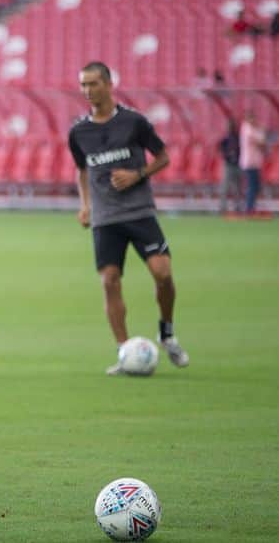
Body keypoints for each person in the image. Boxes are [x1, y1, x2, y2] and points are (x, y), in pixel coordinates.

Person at [68, 62, 189, 375]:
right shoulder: (78, 131)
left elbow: (163, 157)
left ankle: (167, 331)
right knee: (110, 281)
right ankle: (125, 352)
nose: (87, 91)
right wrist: (85, 206)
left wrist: (138, 174)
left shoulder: (134, 122)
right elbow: (82, 170)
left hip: (139, 212)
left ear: (109, 84)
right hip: (105, 218)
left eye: (93, 83)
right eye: (83, 85)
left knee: (162, 273)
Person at [239, 111, 266, 214]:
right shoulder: (247, 129)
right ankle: (249, 208)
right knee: (252, 186)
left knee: (255, 186)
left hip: (255, 162)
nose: (253, 120)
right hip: (249, 162)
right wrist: (262, 131)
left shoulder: (251, 129)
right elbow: (261, 142)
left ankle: (251, 206)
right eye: (251, 118)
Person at [217, 119, 242, 214]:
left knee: (237, 187)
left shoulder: (238, 138)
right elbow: (220, 149)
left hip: (237, 164)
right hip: (228, 165)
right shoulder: (225, 139)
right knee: (225, 187)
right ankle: (222, 207)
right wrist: (227, 155)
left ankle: (237, 207)